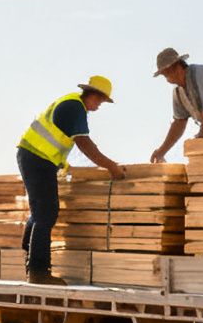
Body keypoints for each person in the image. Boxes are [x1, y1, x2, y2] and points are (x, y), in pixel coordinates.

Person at [16, 75, 126, 284]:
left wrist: (66, 166)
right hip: (37, 159)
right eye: (100, 101)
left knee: (40, 210)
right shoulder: (74, 107)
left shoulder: (72, 104)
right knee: (46, 213)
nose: (99, 106)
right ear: (93, 94)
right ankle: (39, 272)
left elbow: (57, 142)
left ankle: (28, 254)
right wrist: (111, 166)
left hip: (37, 158)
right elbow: (84, 144)